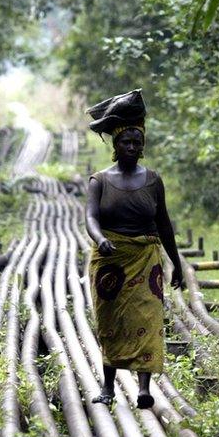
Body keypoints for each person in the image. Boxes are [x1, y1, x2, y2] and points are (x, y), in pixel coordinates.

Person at [83, 88, 184, 409]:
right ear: (115, 145)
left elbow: (164, 224)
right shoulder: (99, 180)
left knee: (148, 317)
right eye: (125, 142)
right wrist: (100, 239)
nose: (131, 147)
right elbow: (90, 217)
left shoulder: (153, 180)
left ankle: (143, 388)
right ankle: (109, 387)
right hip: (110, 260)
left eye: (136, 143)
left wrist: (177, 263)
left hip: (146, 258)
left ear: (142, 147)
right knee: (110, 320)